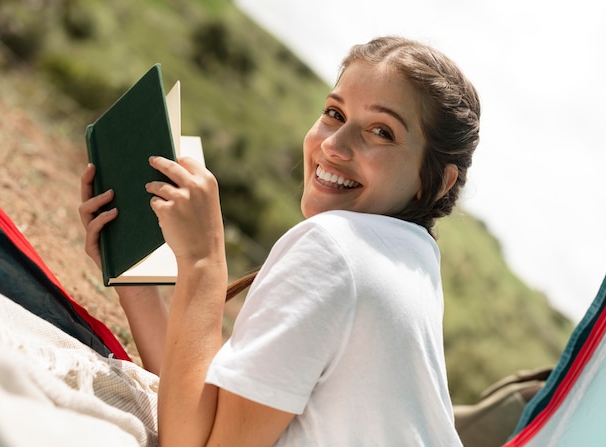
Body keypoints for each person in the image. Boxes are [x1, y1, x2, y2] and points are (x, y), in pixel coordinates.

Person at [79, 35, 480, 446]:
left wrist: (204, 261)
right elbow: (203, 411)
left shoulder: (336, 248)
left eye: (381, 131)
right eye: (334, 113)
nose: (333, 145)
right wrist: (134, 281)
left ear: (435, 181)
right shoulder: (412, 261)